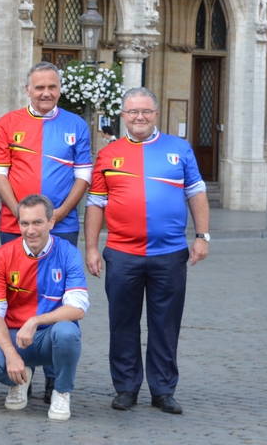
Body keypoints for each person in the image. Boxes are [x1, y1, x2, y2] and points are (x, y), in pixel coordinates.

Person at [85, 87, 209, 415]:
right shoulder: (109, 154)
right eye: (132, 112)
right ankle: (126, 387)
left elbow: (196, 193)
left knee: (165, 323)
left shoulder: (179, 149)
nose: (139, 117)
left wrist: (202, 236)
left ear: (156, 114)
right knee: (122, 322)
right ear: (123, 115)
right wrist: (92, 248)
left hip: (169, 254)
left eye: (146, 111)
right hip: (122, 253)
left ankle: (163, 389)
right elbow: (96, 203)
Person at [0, 61, 91, 402]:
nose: (45, 92)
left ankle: (54, 378)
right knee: (19, 296)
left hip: (63, 227)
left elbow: (84, 177)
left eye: (52, 87)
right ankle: (20, 366)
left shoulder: (77, 125)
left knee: (58, 298)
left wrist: (58, 215)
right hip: (14, 226)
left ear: (59, 89)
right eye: (39, 87)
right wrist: (21, 213)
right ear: (28, 89)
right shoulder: (7, 123)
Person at [0, 194, 89, 421]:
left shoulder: (68, 253)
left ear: (51, 222)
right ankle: (19, 378)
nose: (30, 230)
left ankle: (61, 391)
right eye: (24, 223)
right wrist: (10, 354)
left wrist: (35, 320)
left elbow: (78, 308)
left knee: (67, 332)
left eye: (37, 222)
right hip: (16, 338)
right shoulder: (2, 256)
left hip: (51, 336)